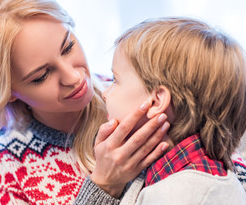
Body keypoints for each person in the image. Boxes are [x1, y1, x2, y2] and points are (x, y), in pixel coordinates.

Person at [0, 0, 171, 204]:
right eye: (41, 75)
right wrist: (104, 185)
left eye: (68, 47)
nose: (74, 78)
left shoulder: (135, 93)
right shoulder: (6, 163)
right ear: (7, 92)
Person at [100, 17, 246, 204]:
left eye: (115, 79)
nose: (105, 93)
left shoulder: (181, 195)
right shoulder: (176, 174)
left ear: (156, 101)